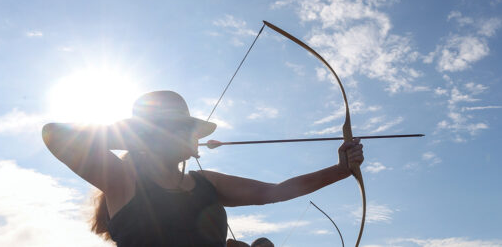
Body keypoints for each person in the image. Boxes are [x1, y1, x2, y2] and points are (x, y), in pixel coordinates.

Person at [42, 90, 364, 247]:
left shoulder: (205, 182)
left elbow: (272, 192)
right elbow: (54, 135)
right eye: (185, 129)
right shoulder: (123, 180)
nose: (193, 135)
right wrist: (138, 136)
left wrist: (340, 170)